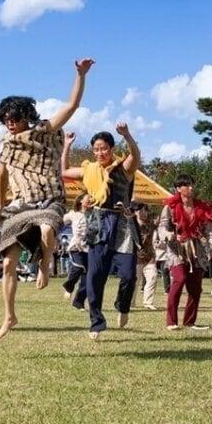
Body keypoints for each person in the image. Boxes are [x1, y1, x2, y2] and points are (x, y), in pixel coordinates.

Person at [0, 58, 92, 340]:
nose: (10, 124)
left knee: (48, 230)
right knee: (8, 264)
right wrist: (1, 203)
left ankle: (46, 264)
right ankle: (9, 315)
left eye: (15, 118)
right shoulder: (4, 144)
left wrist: (80, 75)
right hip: (21, 203)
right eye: (6, 119)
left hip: (49, 198)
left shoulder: (44, 131)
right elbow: (1, 174)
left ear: (27, 117)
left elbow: (71, 106)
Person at [62, 123, 141, 339]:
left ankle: (122, 306)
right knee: (95, 275)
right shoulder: (89, 169)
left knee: (128, 274)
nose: (100, 153)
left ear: (112, 148)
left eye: (104, 148)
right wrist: (67, 145)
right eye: (96, 149)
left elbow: (135, 154)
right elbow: (65, 171)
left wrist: (127, 135)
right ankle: (96, 321)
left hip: (122, 223)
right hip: (97, 221)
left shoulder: (123, 168)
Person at [158, 175, 212, 331]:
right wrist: (169, 235)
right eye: (186, 185)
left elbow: (209, 232)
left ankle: (190, 322)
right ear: (179, 188)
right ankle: (171, 321)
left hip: (196, 250)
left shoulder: (201, 207)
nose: (191, 187)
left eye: (192, 184)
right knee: (179, 279)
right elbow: (162, 227)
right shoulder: (170, 207)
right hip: (177, 249)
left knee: (195, 287)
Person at [60, 193, 93, 305]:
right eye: (88, 199)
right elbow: (60, 222)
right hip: (76, 247)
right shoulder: (73, 214)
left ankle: (79, 302)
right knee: (78, 268)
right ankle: (69, 286)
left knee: (88, 277)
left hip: (89, 248)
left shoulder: (93, 214)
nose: (90, 201)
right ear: (81, 201)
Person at [132, 204, 159, 311]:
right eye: (140, 211)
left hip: (149, 256)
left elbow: (161, 221)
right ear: (135, 212)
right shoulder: (132, 224)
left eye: (145, 211)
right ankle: (131, 302)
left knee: (153, 277)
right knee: (135, 281)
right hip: (136, 256)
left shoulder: (151, 224)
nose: (143, 213)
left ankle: (148, 302)